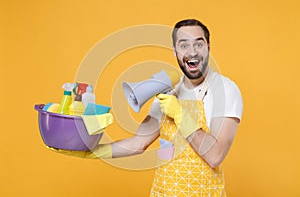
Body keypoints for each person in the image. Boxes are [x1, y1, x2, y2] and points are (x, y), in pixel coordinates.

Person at [50, 19, 243, 196]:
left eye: (198, 44)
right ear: (175, 51)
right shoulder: (168, 91)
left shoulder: (225, 90)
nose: (192, 52)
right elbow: (138, 144)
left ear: (208, 47)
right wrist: (92, 151)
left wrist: (181, 115)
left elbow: (215, 155)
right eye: (184, 45)